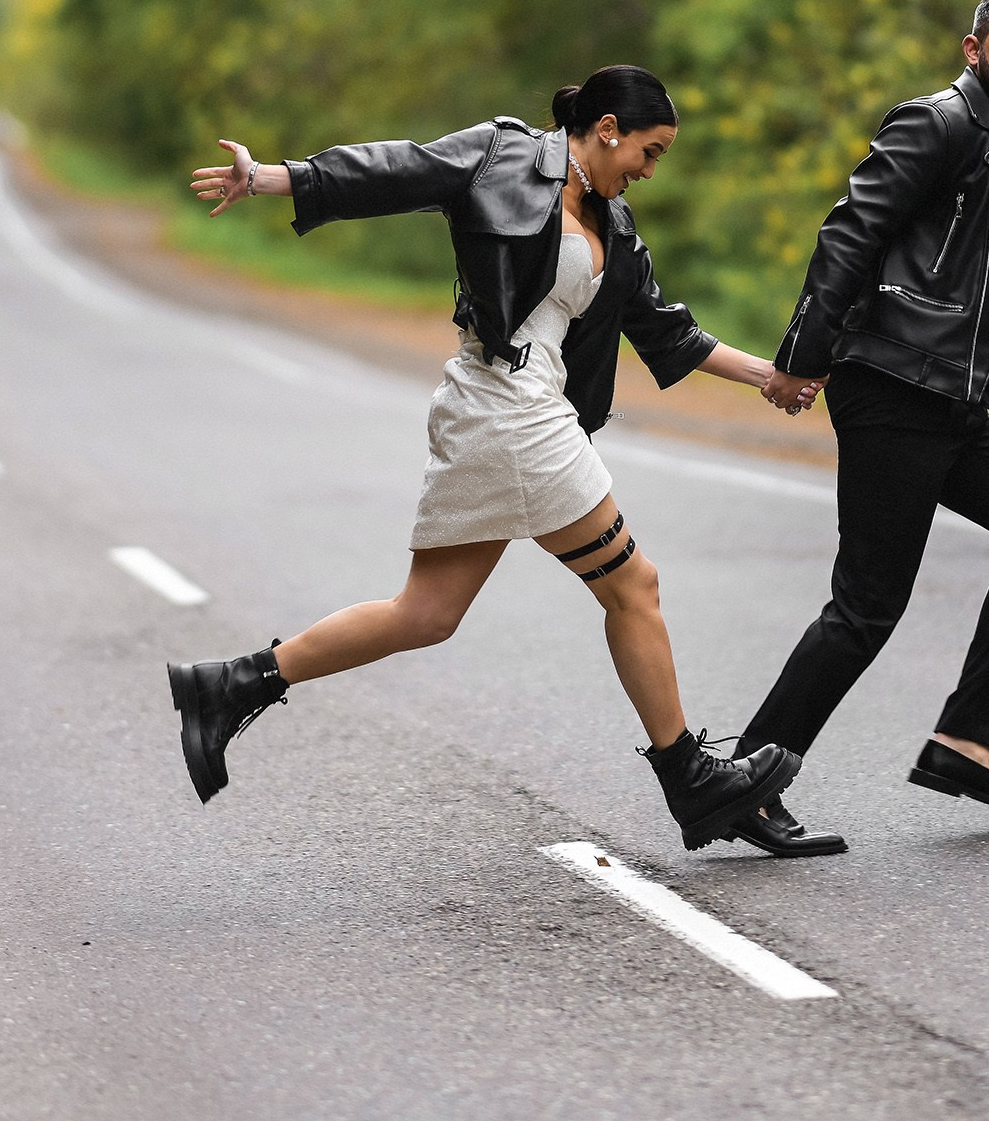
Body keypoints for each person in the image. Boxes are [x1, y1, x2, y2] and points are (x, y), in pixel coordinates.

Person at [167, 65, 813, 853]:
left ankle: (231, 685)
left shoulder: (616, 223)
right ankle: (690, 778)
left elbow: (667, 331)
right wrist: (272, 178)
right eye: (650, 149)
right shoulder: (503, 155)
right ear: (607, 127)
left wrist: (769, 379)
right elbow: (396, 168)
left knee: (425, 614)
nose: (650, 168)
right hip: (509, 406)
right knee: (633, 585)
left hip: (508, 412)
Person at [742, 0, 989, 857]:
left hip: (949, 400)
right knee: (867, 606)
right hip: (896, 384)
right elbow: (850, 233)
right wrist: (804, 354)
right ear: (974, 50)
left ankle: (964, 741)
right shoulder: (940, 123)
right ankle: (747, 780)